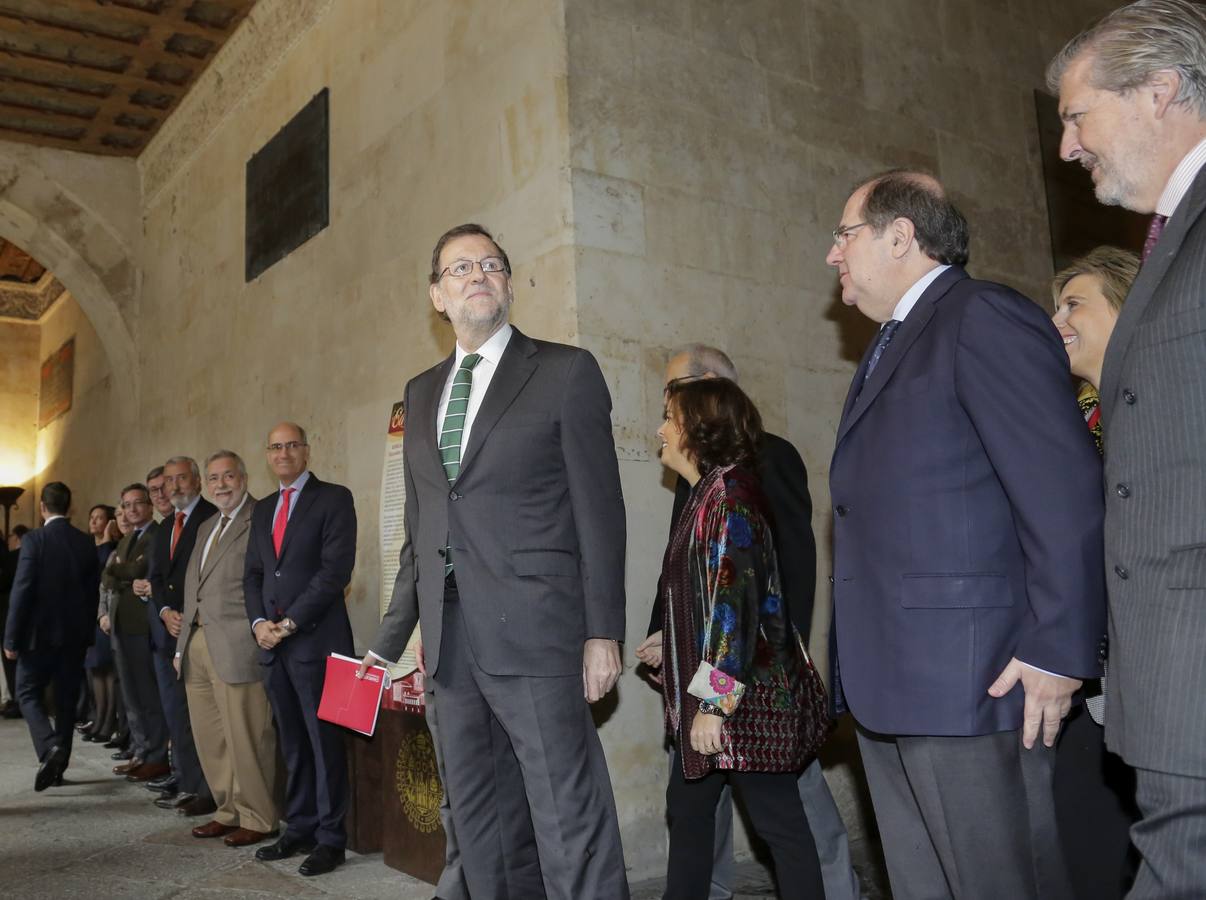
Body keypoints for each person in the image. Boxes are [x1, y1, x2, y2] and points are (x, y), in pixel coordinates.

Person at [825, 170, 1105, 899]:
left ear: (900, 236)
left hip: (971, 682)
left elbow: (1063, 489)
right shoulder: (892, 344)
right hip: (895, 683)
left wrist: (1056, 645)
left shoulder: (982, 316)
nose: (833, 256)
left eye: (844, 234)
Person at [359, 223, 629, 900]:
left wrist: (603, 632)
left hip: (538, 633)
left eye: (490, 265)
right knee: (478, 818)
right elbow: (422, 529)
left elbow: (601, 513)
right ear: (436, 296)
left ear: (507, 283)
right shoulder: (421, 392)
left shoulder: (565, 372)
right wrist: (388, 644)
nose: (476, 275)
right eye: (459, 269)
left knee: (567, 818)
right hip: (449, 646)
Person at [1049, 3, 1206, 890]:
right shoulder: (1171, 240)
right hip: (1166, 671)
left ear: (1159, 90)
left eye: (1078, 114)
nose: (1067, 145)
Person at [636, 345, 863, 900]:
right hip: (713, 695)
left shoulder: (732, 500)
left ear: (697, 426)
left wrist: (713, 702)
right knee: (688, 814)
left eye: (669, 417)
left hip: (743, 703)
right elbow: (693, 591)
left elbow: (733, 611)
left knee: (780, 825)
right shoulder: (705, 495)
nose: (659, 428)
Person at [1048, 247, 1143, 899]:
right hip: (1088, 675)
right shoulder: (1070, 422)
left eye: (1074, 303)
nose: (1056, 319)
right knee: (1082, 848)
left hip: (1159, 672)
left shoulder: (1167, 409)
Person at [243, 422, 356, 877]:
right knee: (292, 743)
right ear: (267, 456)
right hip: (273, 649)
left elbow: (334, 573)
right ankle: (300, 827)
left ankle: (332, 839)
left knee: (323, 743)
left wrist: (287, 624)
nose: (283, 453)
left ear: (307, 451)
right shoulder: (264, 508)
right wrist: (258, 626)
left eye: (292, 445)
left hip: (315, 642)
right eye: (275, 447)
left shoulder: (334, 499)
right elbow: (253, 575)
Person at [176, 450, 278, 847]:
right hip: (198, 644)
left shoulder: (259, 519)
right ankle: (228, 809)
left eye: (228, 476)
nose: (221, 484)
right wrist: (183, 643)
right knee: (212, 738)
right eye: (214, 478)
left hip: (238, 645)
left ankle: (259, 816)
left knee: (247, 737)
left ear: (245, 477)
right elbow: (193, 586)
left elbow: (266, 580)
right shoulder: (206, 526)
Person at [2, 482, 101, 790]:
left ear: (43, 507)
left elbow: (22, 590)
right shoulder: (85, 542)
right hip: (73, 638)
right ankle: (58, 770)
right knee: (66, 701)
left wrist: (10, 638)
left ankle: (49, 747)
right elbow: (91, 594)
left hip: (38, 636)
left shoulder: (35, 540)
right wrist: (87, 633)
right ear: (70, 508)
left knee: (27, 693)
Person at [139, 457, 216, 814]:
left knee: (202, 717)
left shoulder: (212, 518)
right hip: (167, 634)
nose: (175, 486)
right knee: (177, 714)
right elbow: (156, 577)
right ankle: (187, 782)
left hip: (201, 635)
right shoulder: (166, 525)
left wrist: (186, 617)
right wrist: (165, 611)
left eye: (182, 478)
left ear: (197, 481)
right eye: (169, 480)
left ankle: (208, 789)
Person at [101, 484, 170, 781]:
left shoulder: (156, 535)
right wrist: (123, 572)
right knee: (130, 695)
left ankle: (156, 755)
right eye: (126, 505)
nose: (132, 510)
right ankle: (140, 751)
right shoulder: (127, 538)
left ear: (149, 506)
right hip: (120, 624)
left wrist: (122, 571)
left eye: (138, 503)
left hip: (141, 626)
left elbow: (136, 572)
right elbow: (108, 578)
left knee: (147, 694)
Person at [82, 504, 120, 743]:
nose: (95, 521)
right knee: (94, 669)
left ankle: (108, 722)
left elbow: (103, 578)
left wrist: (107, 539)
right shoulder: (85, 546)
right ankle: (98, 720)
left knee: (107, 670)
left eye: (100, 518)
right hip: (88, 614)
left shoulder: (112, 549)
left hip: (104, 613)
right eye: (92, 517)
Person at [0, 524, 28, 719]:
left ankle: (17, 700)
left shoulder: (12, 557)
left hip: (7, 613)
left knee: (11, 660)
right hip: (16, 614)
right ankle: (17, 699)